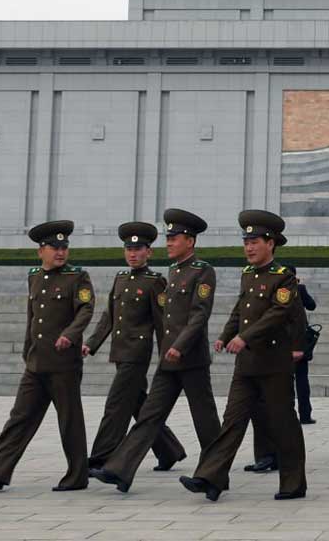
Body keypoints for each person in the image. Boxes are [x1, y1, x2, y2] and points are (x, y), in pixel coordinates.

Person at [180, 210, 306, 501]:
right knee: (232, 423)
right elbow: (240, 311)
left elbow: (276, 314)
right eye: (246, 241)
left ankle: (293, 483)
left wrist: (243, 337)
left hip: (273, 364)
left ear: (271, 243)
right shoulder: (247, 275)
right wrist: (225, 336)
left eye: (255, 241)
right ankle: (210, 478)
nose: (248, 247)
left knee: (283, 423)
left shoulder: (283, 278)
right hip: (246, 365)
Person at [92, 208, 220, 493]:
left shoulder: (203, 271)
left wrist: (178, 346)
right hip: (168, 360)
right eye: (169, 237)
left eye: (175, 238)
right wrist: (167, 349)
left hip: (191, 359)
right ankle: (120, 470)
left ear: (190, 241)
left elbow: (199, 315)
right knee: (148, 417)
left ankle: (214, 476)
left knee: (206, 421)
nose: (169, 242)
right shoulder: (173, 272)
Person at [0, 221, 93, 492]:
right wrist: (27, 350)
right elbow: (32, 317)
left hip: (63, 364)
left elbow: (85, 310)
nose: (60, 252)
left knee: (69, 421)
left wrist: (69, 335)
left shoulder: (77, 277)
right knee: (19, 418)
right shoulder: (34, 276)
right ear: (41, 251)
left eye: (64, 247)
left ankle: (77, 476)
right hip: (36, 362)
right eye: (54, 247)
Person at [83, 222, 185, 471]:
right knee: (138, 404)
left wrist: (166, 356)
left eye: (138, 249)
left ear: (148, 252)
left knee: (115, 405)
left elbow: (163, 324)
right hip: (119, 352)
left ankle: (100, 458)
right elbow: (109, 316)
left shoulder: (154, 282)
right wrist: (91, 343)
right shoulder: (120, 278)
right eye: (129, 249)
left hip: (137, 355)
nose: (133, 253)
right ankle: (169, 450)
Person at [242, 269, 317, 473]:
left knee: (282, 404)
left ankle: (283, 459)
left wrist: (298, 347)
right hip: (265, 351)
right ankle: (267, 455)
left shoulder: (292, 288)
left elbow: (300, 315)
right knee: (260, 407)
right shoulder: (255, 282)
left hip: (287, 349)